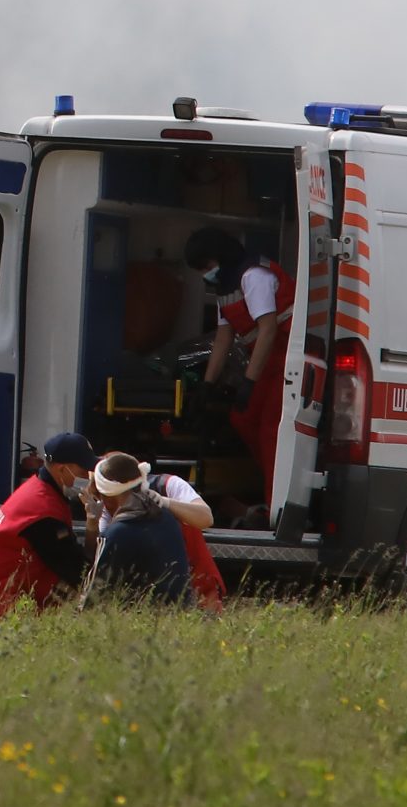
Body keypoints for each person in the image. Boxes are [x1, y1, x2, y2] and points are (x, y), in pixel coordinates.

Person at [185, 228, 296, 509]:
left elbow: (268, 330)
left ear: (219, 257)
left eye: (207, 267)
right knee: (243, 418)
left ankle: (277, 505)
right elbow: (223, 338)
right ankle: (276, 479)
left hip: (288, 357)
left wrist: (248, 382)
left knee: (271, 429)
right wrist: (206, 386)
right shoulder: (226, 288)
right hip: (268, 362)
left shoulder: (253, 277)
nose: (206, 274)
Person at [0, 432, 97, 620]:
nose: (88, 477)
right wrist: (94, 525)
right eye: (83, 471)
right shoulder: (44, 513)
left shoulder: (41, 489)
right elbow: (80, 574)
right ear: (62, 469)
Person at [87, 459, 225, 611]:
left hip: (198, 578)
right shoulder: (111, 513)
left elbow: (206, 518)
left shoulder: (168, 484)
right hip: (171, 596)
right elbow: (104, 554)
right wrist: (92, 524)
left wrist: (165, 502)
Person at [83, 451, 194, 606]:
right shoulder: (167, 518)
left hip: (143, 620)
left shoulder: (117, 533)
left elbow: (93, 594)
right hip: (181, 616)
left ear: (107, 497)